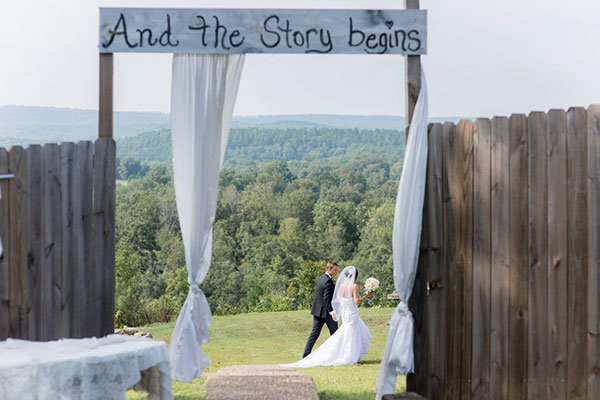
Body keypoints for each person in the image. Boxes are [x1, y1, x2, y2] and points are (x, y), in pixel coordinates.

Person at [281, 266, 373, 368]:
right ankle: (349, 355)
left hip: (345, 314)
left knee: (344, 332)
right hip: (351, 313)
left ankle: (346, 354)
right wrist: (367, 296)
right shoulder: (354, 286)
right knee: (351, 333)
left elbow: (338, 300)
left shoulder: (341, 286)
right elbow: (356, 301)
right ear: (355, 276)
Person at [301, 261, 339, 359]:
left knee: (314, 334)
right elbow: (326, 299)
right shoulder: (329, 281)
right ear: (328, 269)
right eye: (335, 270)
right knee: (335, 333)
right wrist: (332, 312)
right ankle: (337, 355)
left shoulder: (320, 278)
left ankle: (305, 355)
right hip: (326, 312)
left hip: (317, 311)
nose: (336, 272)